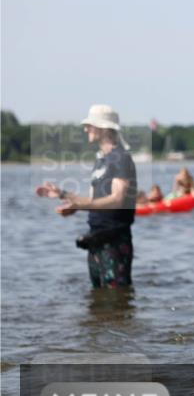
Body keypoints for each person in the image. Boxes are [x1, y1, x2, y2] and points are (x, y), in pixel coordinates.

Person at [35, 104, 137, 288]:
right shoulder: (101, 160)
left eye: (90, 124)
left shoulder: (121, 157)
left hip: (114, 241)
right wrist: (66, 199)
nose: (85, 129)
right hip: (95, 240)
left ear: (104, 128)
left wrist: (75, 202)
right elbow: (93, 201)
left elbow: (117, 200)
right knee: (98, 301)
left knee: (116, 301)